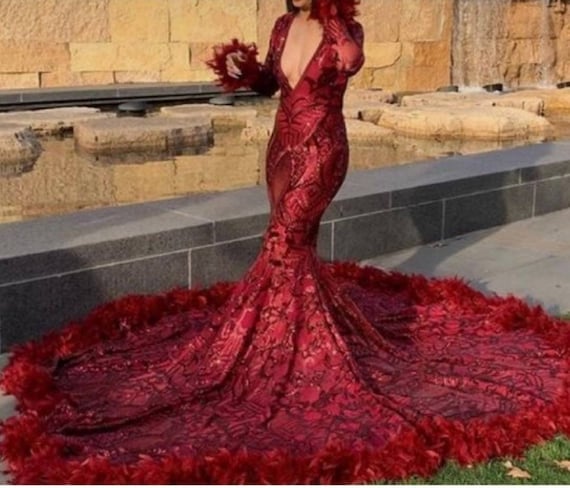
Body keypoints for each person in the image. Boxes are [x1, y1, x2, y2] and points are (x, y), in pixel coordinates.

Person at [2, 0, 570, 484]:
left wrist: (336, 17)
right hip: (280, 146)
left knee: (284, 247)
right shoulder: (281, 24)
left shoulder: (345, 33)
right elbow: (271, 85)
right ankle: (288, 332)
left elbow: (348, 61)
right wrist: (243, 73)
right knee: (288, 251)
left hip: (323, 151)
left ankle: (267, 347)